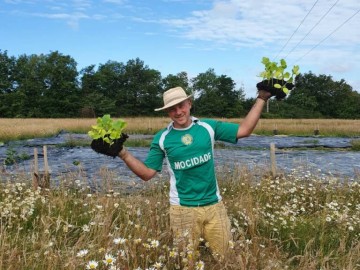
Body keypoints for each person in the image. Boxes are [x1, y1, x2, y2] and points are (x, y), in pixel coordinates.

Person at [91, 82, 293, 257]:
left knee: (225, 258)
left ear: (189, 104)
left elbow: (244, 130)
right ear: (167, 112)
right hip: (182, 210)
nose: (178, 112)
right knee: (186, 261)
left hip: (215, 207)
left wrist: (262, 98)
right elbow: (147, 174)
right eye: (172, 109)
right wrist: (122, 153)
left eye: (181, 106)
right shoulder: (162, 138)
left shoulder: (207, 127)